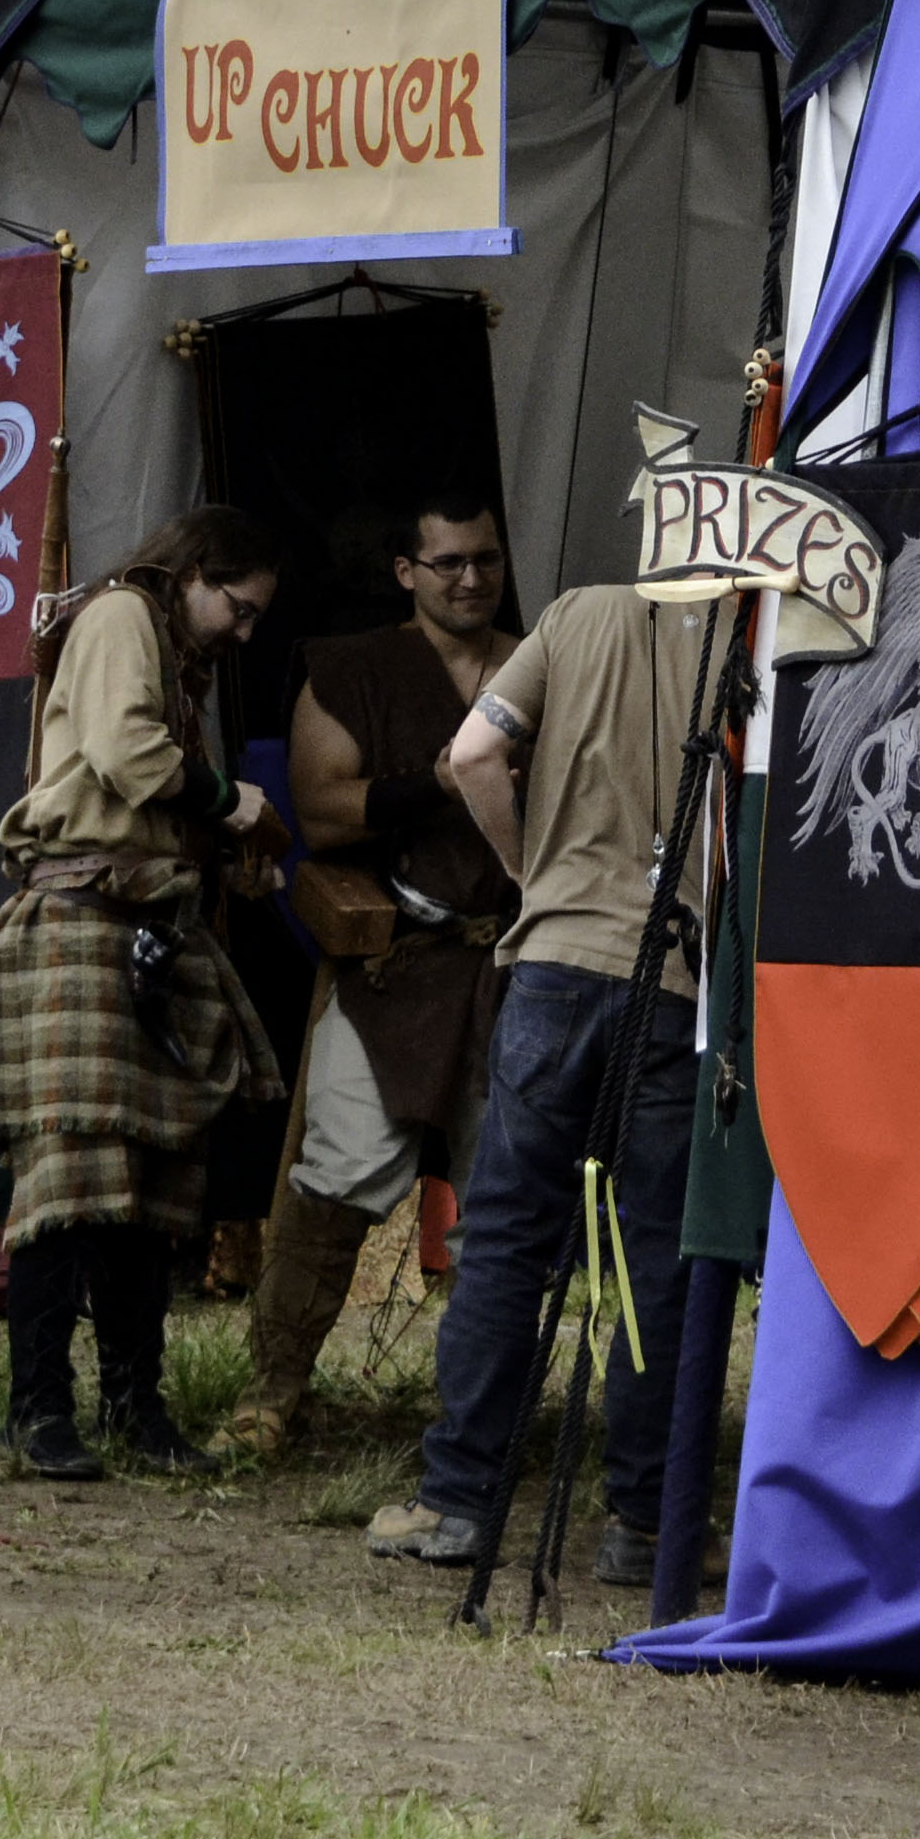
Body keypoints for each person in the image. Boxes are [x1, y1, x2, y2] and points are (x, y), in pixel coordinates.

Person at [367, 577, 720, 1585]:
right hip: (678, 975)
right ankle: (646, 1525)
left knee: (507, 1236)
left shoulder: (577, 614)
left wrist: (533, 873)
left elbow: (473, 753)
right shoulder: (753, 631)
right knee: (657, 1254)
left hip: (556, 961)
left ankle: (456, 1503)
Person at [0, 505, 287, 1482]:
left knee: (148, 1185)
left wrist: (222, 850)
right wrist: (229, 802)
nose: (244, 633)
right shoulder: (120, 618)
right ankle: (38, 1412)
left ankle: (136, 1408)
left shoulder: (174, 655)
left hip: (148, 920)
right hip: (81, 919)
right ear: (193, 573)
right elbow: (124, 754)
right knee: (67, 1181)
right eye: (239, 607)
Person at [222, 493, 521, 1460]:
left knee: (500, 1202)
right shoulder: (351, 670)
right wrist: (432, 784)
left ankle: (480, 1425)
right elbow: (322, 809)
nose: (470, 578)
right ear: (405, 572)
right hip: (397, 968)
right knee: (338, 1173)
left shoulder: (540, 666)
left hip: (512, 968)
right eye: (448, 562)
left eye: (484, 559)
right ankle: (273, 1388)